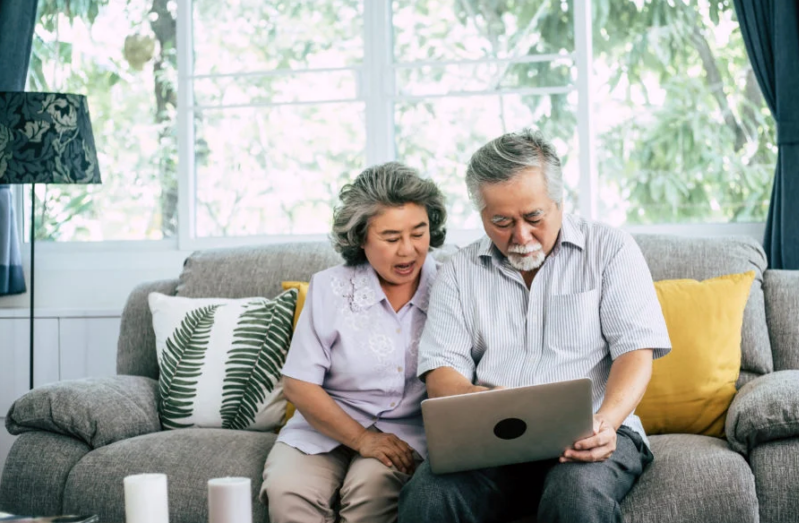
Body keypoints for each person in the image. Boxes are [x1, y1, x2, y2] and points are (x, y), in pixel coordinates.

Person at [398, 129, 672, 523]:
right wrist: (484, 404)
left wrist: (606, 422)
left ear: (560, 202)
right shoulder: (458, 271)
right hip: (491, 441)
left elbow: (635, 352)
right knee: (427, 497)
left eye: (533, 217)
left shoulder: (610, 249)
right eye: (501, 221)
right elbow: (442, 372)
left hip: (592, 431)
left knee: (574, 495)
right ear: (481, 215)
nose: (520, 236)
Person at [261, 162, 447, 523]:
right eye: (391, 238)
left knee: (372, 494)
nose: (408, 250)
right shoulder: (329, 288)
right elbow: (299, 384)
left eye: (419, 233)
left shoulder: (449, 287)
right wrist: (362, 440)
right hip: (323, 425)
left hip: (407, 434)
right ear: (361, 238)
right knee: (288, 491)